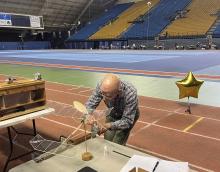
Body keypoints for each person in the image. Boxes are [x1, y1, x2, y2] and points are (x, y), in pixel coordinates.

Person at [85, 74, 139, 145]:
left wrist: (107, 125)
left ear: (118, 91)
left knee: (118, 142)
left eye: (108, 96)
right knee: (108, 140)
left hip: (127, 115)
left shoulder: (130, 93)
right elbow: (90, 104)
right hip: (113, 112)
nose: (104, 97)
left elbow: (127, 121)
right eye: (102, 94)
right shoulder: (103, 86)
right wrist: (88, 115)